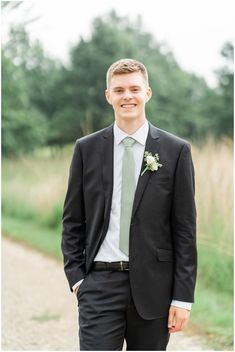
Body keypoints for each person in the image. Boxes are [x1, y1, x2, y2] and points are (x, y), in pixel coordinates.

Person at [61, 58, 197, 351]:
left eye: (134, 89)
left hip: (154, 288)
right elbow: (73, 219)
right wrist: (77, 278)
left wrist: (182, 297)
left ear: (147, 92)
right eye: (119, 90)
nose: (127, 96)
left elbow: (184, 230)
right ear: (108, 95)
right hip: (99, 285)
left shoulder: (176, 151)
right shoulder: (86, 149)